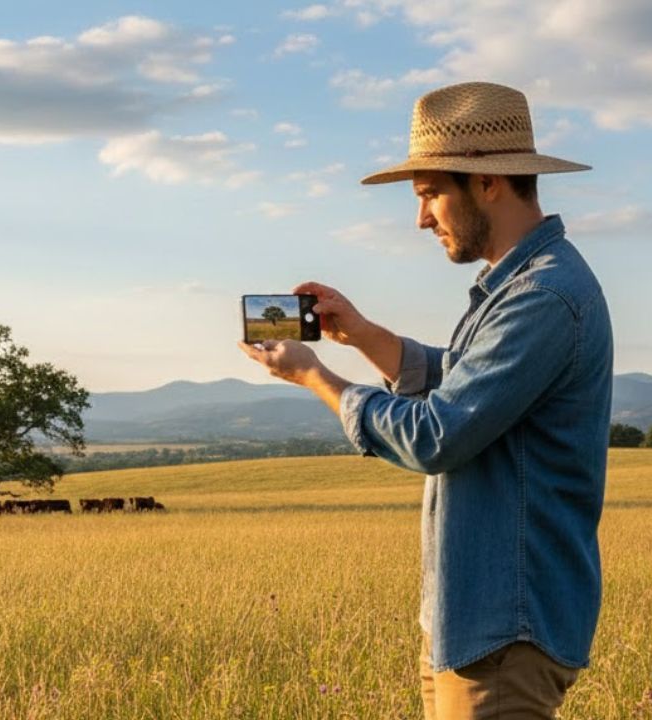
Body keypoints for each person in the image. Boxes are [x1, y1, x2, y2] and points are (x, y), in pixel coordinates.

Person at [239, 81, 612, 719]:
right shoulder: (518, 285)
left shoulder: (542, 297)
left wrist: (316, 378)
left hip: (504, 628)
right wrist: (363, 334)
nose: (421, 218)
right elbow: (468, 383)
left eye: (429, 193)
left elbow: (436, 435)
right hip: (472, 621)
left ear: (487, 183)